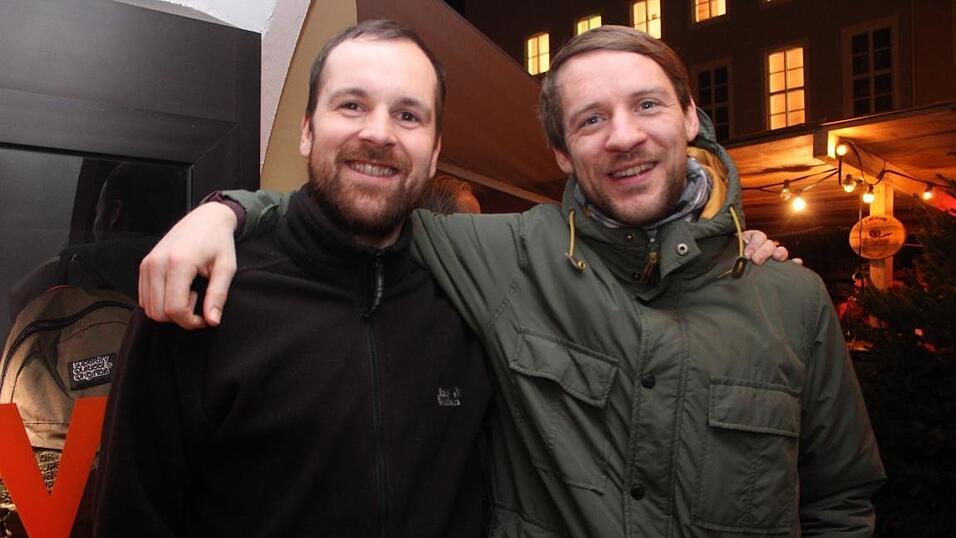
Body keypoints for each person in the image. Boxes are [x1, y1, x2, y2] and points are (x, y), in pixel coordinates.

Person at [136, 25, 882, 537]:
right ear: (561, 153)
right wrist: (227, 210)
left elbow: (840, 501)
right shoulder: (507, 255)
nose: (624, 135)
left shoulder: (790, 299)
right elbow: (355, 202)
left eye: (648, 104)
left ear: (692, 117)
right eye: (590, 120)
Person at [93, 20, 492, 537]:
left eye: (408, 115)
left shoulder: (470, 301)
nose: (379, 133)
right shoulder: (203, 297)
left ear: (435, 151)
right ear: (306, 131)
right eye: (352, 105)